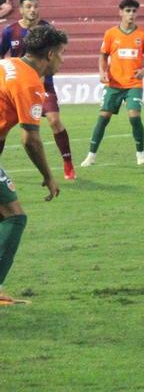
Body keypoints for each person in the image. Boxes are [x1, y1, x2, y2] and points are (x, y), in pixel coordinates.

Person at [0, 25, 68, 305]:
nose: (63, 60)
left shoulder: (8, 64)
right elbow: (30, 139)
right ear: (49, 54)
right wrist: (49, 176)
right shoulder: (30, 83)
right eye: (62, 54)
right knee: (14, 216)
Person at [0, 0, 76, 179]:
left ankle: (68, 163)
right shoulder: (11, 31)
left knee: (54, 121)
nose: (33, 10)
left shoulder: (47, 29)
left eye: (35, 6)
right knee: (7, 126)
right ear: (21, 9)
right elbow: (30, 140)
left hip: (43, 86)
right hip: (21, 85)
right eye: (28, 6)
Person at [80, 0, 144, 167]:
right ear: (120, 12)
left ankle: (140, 155)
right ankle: (91, 156)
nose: (131, 14)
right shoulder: (111, 34)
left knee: (134, 117)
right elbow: (103, 55)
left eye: (134, 11)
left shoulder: (143, 35)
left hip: (133, 84)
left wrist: (143, 71)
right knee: (103, 118)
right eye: (128, 10)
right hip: (114, 84)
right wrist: (102, 71)